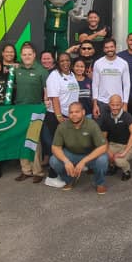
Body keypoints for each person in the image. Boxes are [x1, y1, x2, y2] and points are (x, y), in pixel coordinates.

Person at [49, 102, 109, 194]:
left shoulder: (91, 124)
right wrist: (66, 161)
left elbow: (103, 147)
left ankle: (99, 183)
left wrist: (84, 161)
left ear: (83, 112)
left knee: (103, 159)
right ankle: (70, 180)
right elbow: (55, 147)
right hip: (71, 153)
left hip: (90, 154)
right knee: (54, 160)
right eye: (71, 112)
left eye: (77, 112)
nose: (74, 115)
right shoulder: (62, 126)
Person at [44, 52, 81, 188]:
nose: (65, 63)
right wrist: (59, 117)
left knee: (67, 147)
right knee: (58, 147)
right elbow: (54, 99)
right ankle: (51, 177)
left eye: (67, 60)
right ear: (57, 63)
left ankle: (62, 172)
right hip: (57, 117)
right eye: (62, 61)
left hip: (70, 116)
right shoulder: (54, 76)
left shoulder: (71, 75)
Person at [12, 43, 49, 182]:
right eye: (24, 54)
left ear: (34, 55)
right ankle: (26, 170)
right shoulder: (16, 69)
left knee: (34, 141)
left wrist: (46, 101)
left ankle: (37, 172)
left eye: (29, 54)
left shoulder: (41, 70)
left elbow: (46, 90)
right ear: (21, 56)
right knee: (22, 140)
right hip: (20, 110)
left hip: (35, 110)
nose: (27, 57)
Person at [98, 94, 132, 181]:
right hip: (113, 145)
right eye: (112, 105)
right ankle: (112, 166)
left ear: (122, 104)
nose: (115, 107)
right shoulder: (106, 117)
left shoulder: (127, 116)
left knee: (119, 160)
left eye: (117, 105)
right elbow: (103, 137)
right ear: (109, 105)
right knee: (102, 156)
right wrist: (108, 151)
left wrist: (125, 151)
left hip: (127, 146)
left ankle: (126, 170)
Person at [92, 38, 130, 119]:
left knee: (117, 130)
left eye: (111, 47)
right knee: (101, 130)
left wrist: (125, 104)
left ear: (115, 47)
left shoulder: (123, 63)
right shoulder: (98, 63)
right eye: (107, 47)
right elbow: (95, 85)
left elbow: (127, 85)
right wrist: (95, 105)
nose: (109, 49)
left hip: (118, 104)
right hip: (102, 103)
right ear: (103, 49)